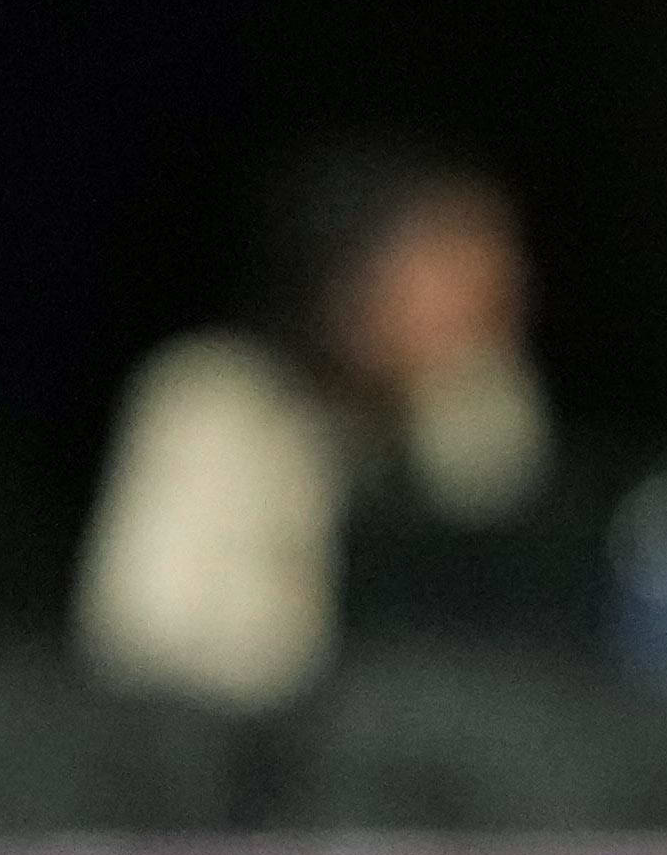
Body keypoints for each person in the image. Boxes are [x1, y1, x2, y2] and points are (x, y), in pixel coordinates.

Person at [77, 145, 609, 710]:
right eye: (449, 273)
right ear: (350, 282)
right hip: (226, 756)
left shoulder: (464, 410)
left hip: (411, 756)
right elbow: (139, 628)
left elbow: (506, 600)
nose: (490, 305)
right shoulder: (215, 401)